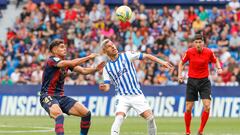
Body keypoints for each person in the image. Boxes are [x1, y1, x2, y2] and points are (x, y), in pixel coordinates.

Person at [98, 39, 173, 135]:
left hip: (136, 94)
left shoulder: (127, 55)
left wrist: (162, 62)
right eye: (109, 46)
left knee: (150, 118)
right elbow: (107, 86)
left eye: (113, 44)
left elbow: (146, 56)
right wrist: (104, 87)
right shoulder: (107, 68)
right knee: (118, 118)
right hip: (122, 97)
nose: (113, 46)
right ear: (105, 51)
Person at [40, 39, 105, 135]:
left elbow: (83, 70)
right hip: (47, 96)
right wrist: (88, 57)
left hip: (61, 97)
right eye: (61, 47)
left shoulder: (66, 63)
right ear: (54, 50)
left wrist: (96, 69)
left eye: (65, 47)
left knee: (86, 113)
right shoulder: (52, 60)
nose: (65, 49)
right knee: (59, 116)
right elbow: (70, 63)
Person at [178, 34, 222, 135]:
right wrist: (180, 75)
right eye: (196, 42)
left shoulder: (209, 52)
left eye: (200, 42)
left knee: (207, 106)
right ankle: (188, 131)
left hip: (204, 82)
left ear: (203, 43)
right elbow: (181, 63)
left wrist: (219, 68)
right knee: (188, 108)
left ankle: (201, 130)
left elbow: (216, 60)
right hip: (192, 81)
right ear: (194, 43)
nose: (198, 44)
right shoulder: (189, 52)